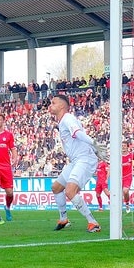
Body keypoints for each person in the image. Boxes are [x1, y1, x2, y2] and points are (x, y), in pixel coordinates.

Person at [48, 94, 104, 233]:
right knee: (56, 187)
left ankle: (93, 223)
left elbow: (78, 133)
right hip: (76, 160)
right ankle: (63, 219)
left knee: (70, 190)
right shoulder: (62, 121)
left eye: (53, 103)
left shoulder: (68, 118)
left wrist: (94, 144)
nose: (50, 105)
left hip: (85, 158)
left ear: (62, 106)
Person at [122, 140, 134, 214]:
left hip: (127, 176)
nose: (123, 147)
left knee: (125, 191)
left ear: (127, 147)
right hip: (118, 177)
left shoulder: (132, 154)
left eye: (124, 146)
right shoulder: (117, 155)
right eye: (122, 146)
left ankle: (127, 204)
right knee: (116, 194)